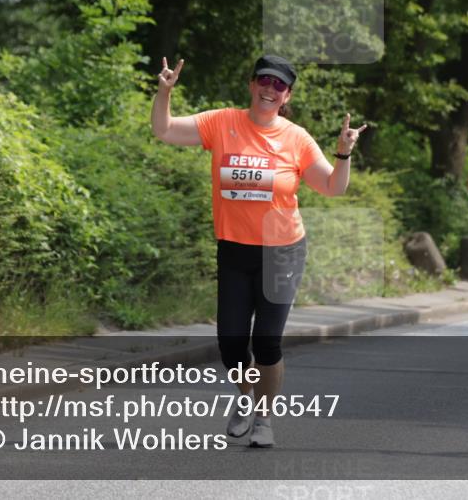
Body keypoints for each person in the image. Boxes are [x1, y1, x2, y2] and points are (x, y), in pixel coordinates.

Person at [151, 54, 365, 447]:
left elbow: (334, 187)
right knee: (231, 344)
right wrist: (164, 91)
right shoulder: (222, 122)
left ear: (287, 96)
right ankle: (246, 396)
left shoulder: (297, 138)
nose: (270, 89)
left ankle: (264, 416)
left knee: (267, 340)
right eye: (264, 81)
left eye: (279, 85)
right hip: (234, 248)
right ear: (251, 85)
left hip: (282, 251)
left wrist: (343, 153)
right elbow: (163, 130)